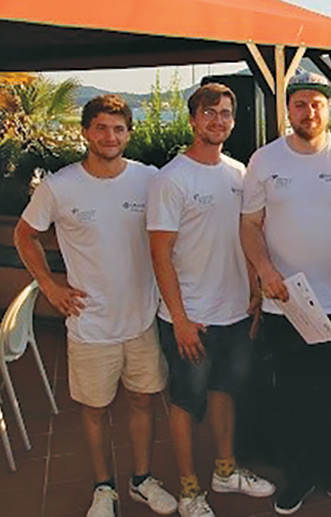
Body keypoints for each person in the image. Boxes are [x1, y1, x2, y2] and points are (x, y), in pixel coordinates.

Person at [14, 95, 178, 517]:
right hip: (90, 324)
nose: (110, 136)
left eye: (118, 129)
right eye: (101, 128)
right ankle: (104, 488)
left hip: (142, 319)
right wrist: (49, 286)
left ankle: (141, 480)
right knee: (95, 410)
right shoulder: (59, 186)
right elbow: (24, 236)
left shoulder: (149, 179)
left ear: (129, 134)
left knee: (143, 401)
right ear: (86, 132)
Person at [240, 71, 331, 517]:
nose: (309, 111)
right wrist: (265, 272)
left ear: (328, 107)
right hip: (285, 304)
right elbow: (249, 225)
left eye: (317, 103)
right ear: (288, 109)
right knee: (291, 395)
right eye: (300, 103)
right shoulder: (264, 160)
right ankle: (298, 475)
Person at [147, 83, 275, 517]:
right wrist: (179, 319)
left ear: (233, 121)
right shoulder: (171, 179)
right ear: (192, 119)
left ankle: (225, 471)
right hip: (191, 319)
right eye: (209, 113)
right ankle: (189, 491)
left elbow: (247, 237)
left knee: (225, 392)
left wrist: (254, 292)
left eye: (225, 113)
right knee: (185, 402)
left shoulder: (240, 174)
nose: (217, 120)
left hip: (235, 312)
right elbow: (160, 255)